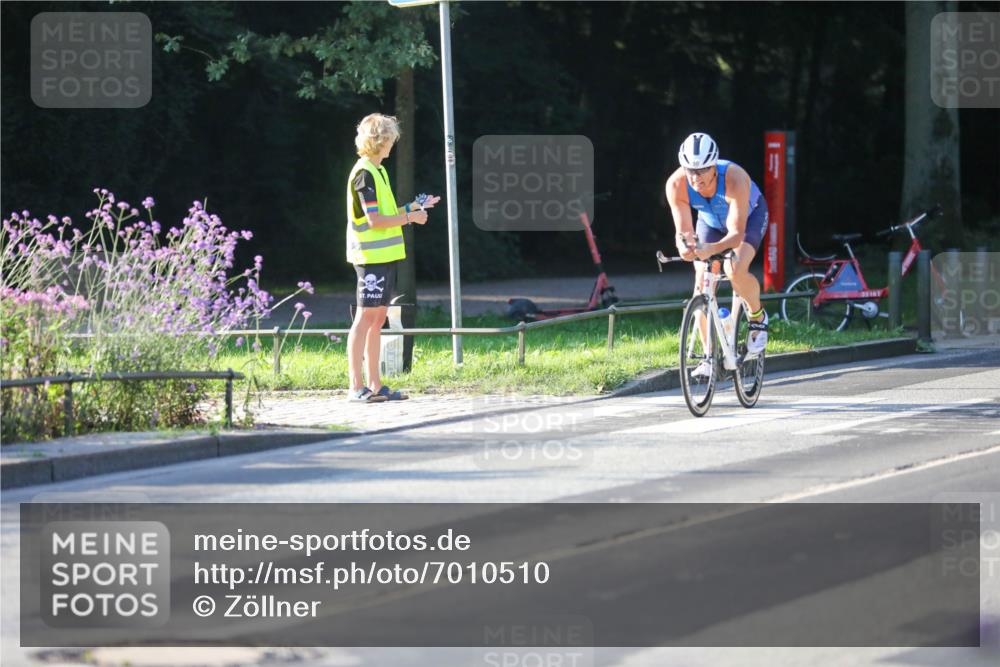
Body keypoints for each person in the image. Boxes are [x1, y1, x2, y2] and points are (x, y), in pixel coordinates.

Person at [346, 113, 440, 402]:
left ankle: (375, 385)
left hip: (385, 257)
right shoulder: (364, 174)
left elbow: (386, 213)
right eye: (390, 139)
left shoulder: (379, 171)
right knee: (364, 319)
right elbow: (374, 221)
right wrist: (410, 217)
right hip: (370, 258)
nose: (393, 144)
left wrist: (413, 207)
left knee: (377, 320)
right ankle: (355, 387)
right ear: (379, 140)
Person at [665, 132, 770, 376]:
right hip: (710, 222)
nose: (695, 177)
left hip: (749, 218)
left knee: (734, 268)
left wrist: (711, 249)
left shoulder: (734, 177)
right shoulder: (676, 185)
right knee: (702, 283)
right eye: (690, 170)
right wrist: (685, 247)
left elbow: (735, 235)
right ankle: (708, 357)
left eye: (702, 170)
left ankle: (757, 316)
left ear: (714, 166)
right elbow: (684, 232)